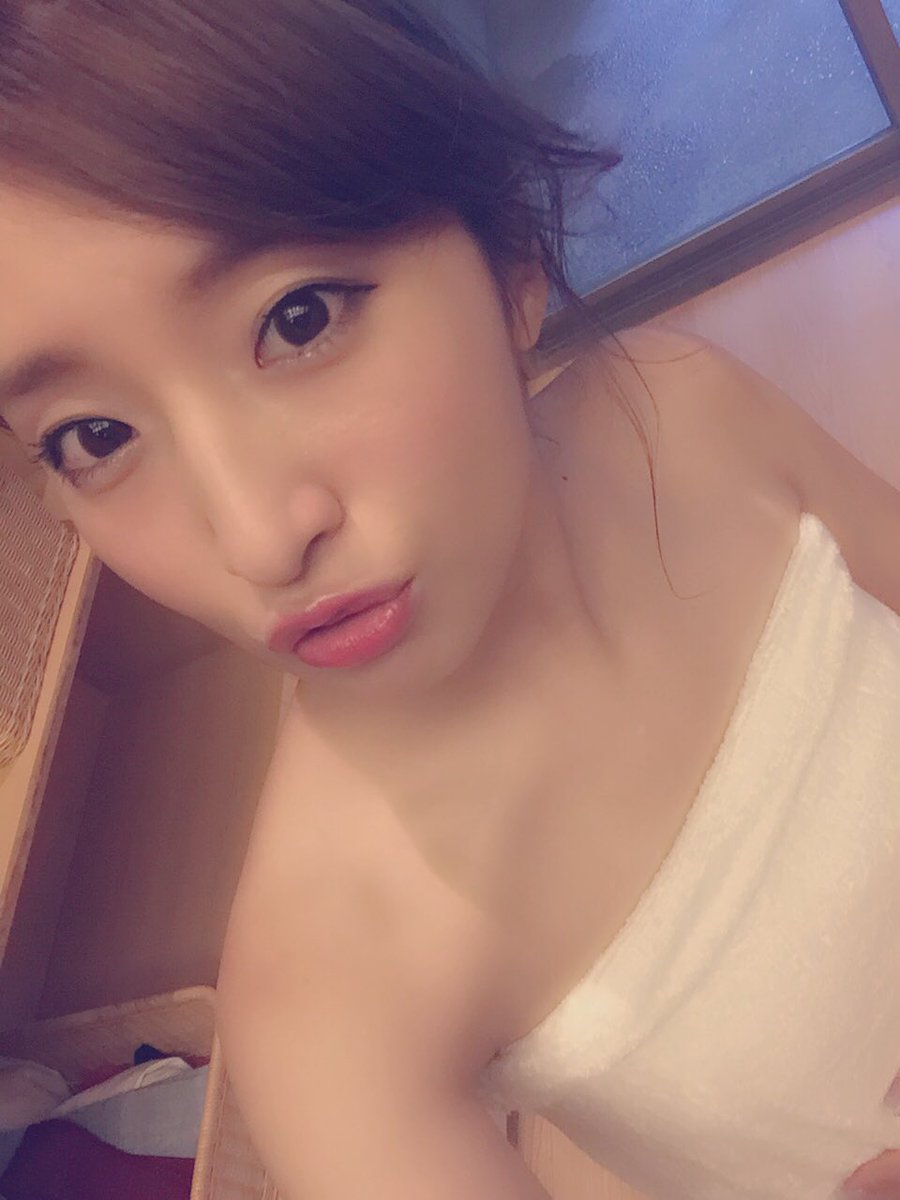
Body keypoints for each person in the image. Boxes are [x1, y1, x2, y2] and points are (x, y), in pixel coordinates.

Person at [0, 2, 898, 1197]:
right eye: (95, 435)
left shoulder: (681, 406)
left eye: (299, 318)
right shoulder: (330, 1005)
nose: (259, 536)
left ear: (510, 262)